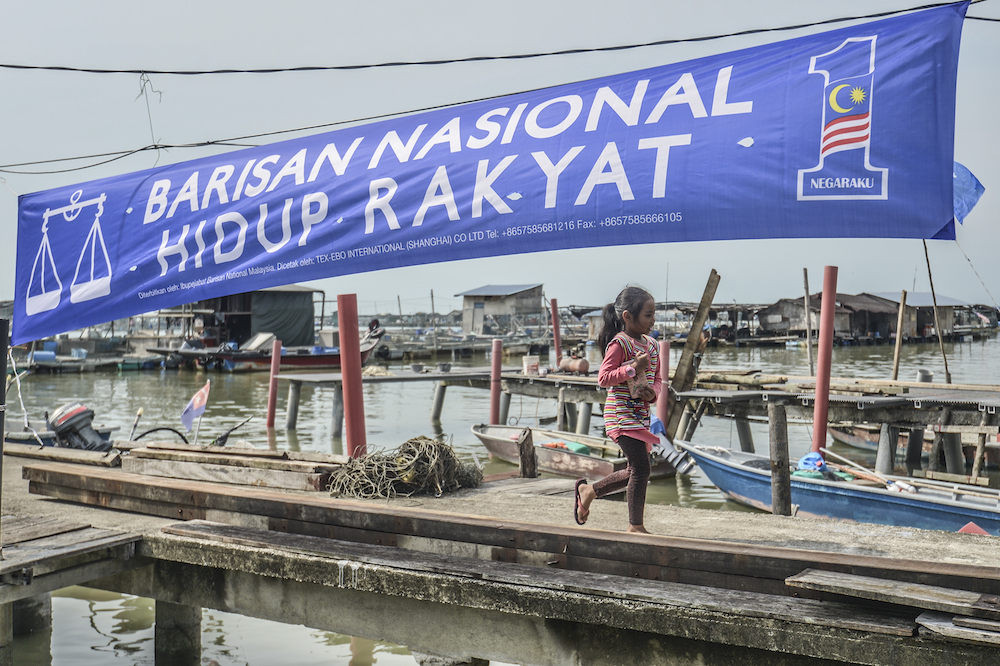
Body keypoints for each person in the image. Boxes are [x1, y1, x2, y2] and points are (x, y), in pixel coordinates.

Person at [574, 286, 660, 533]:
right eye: (647, 315)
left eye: (653, 314)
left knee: (636, 470)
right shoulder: (619, 343)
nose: (652, 320)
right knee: (642, 468)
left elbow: (658, 380)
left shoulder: (653, 346)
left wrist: (652, 393)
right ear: (627, 317)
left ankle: (588, 491)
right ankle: (635, 526)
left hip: (640, 416)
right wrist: (632, 368)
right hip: (620, 415)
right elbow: (604, 378)